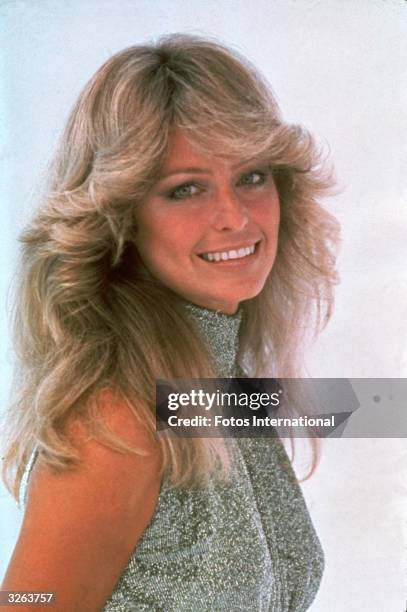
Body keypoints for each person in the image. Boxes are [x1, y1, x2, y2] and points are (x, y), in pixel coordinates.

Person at [1, 34, 339, 611]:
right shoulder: (116, 419)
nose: (235, 216)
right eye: (186, 189)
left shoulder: (205, 391)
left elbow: (358, 409)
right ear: (122, 220)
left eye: (252, 176)